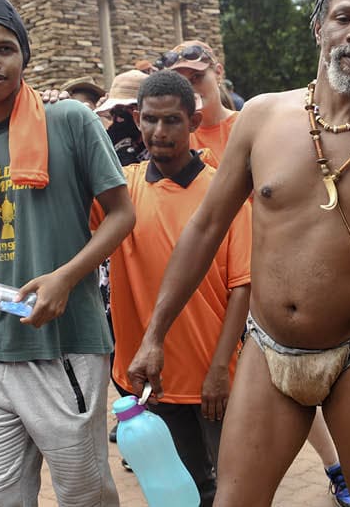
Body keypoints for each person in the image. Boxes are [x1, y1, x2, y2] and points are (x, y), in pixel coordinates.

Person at [129, 0, 350, 506]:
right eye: (343, 17)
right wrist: (154, 333)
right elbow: (205, 228)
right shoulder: (263, 117)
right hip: (267, 348)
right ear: (319, 29)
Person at [0, 0, 134, 506]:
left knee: (82, 493)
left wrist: (66, 277)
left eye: (4, 48)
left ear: (24, 55)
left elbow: (123, 214)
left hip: (63, 343)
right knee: (1, 496)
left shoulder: (69, 120)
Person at [106, 71, 252, 506]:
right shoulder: (123, 191)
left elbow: (242, 288)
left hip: (213, 377)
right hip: (153, 377)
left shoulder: (223, 193)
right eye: (150, 119)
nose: (159, 131)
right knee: (183, 488)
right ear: (136, 118)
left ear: (194, 121)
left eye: (172, 120)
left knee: (236, 486)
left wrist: (219, 369)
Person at [157, 40, 239, 162]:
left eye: (196, 77)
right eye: (181, 82)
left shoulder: (245, 126)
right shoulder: (174, 137)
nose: (189, 89)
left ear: (218, 73)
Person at [96, 69, 149, 167]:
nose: (119, 116)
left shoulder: (159, 145)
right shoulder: (112, 140)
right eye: (116, 109)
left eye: (127, 108)